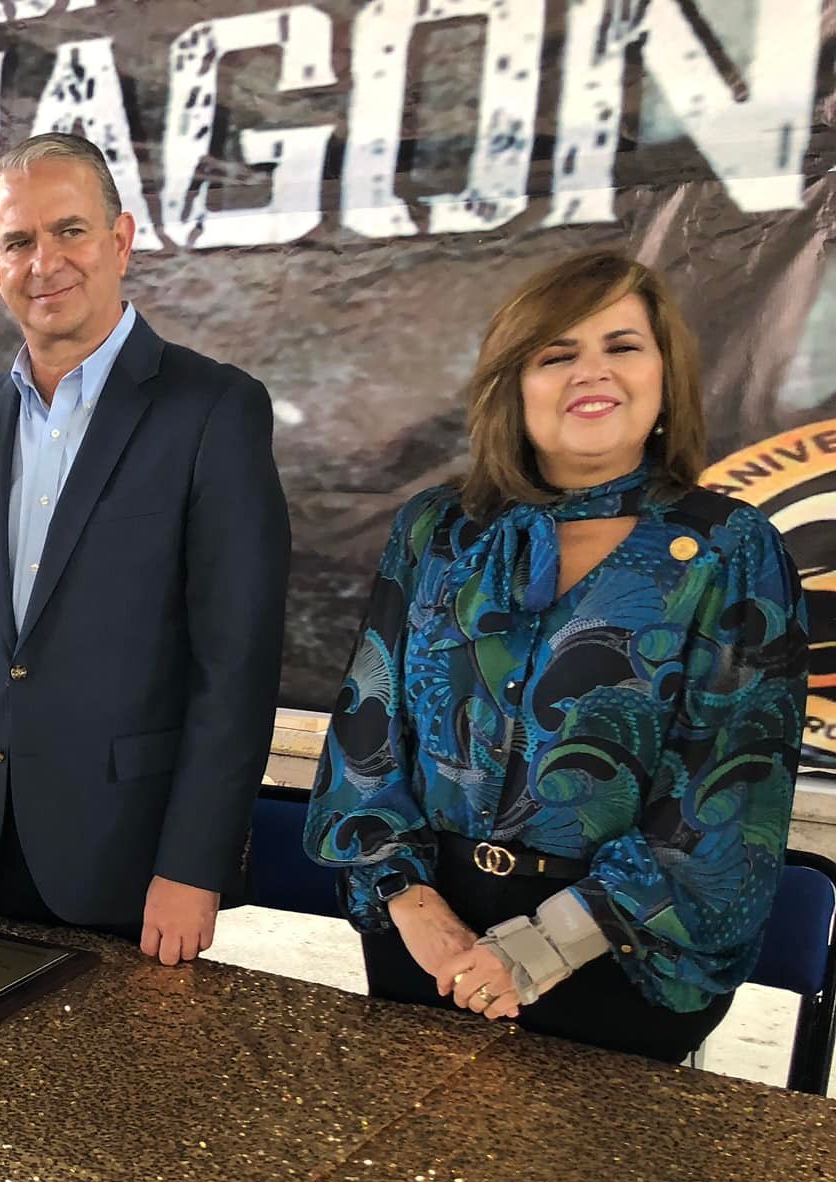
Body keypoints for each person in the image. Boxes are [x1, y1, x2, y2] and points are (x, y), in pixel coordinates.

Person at [304, 251, 809, 1061]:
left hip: (624, 953)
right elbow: (367, 731)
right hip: (429, 941)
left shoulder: (730, 550)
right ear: (515, 383)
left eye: (622, 345)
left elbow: (732, 792)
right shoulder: (436, 531)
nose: (592, 372)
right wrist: (411, 905)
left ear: (665, 375)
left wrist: (541, 947)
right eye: (557, 353)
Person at [0, 132, 290, 959]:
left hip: (136, 864)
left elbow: (235, 667)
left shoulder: (214, 409)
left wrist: (194, 862)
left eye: (69, 231)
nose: (44, 262)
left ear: (121, 240)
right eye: (19, 242)